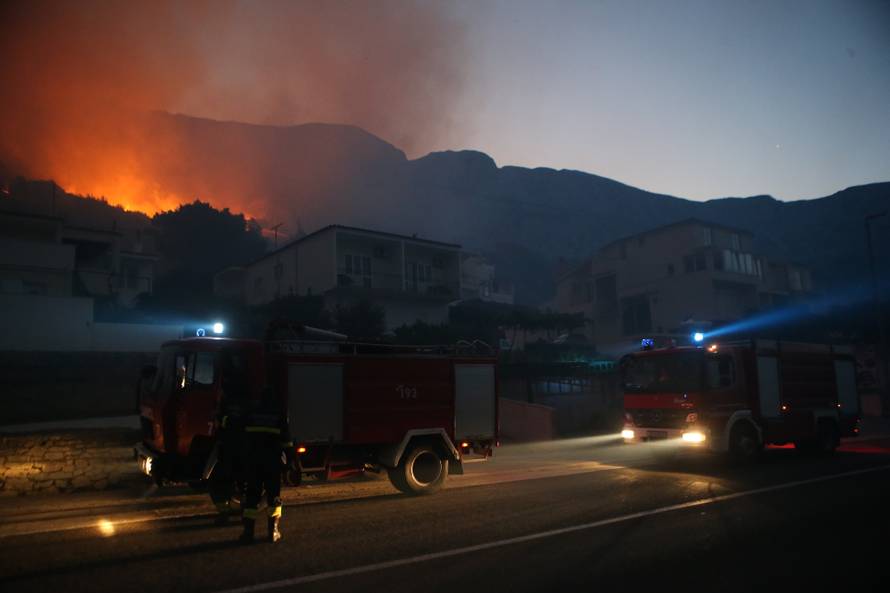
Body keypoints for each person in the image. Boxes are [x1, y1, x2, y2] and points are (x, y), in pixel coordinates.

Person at [239, 386, 295, 544]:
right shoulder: (279, 414)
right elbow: (287, 442)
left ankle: (248, 533)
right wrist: (289, 463)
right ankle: (273, 532)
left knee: (252, 496)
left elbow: (244, 438)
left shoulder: (252, 413)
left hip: (253, 461)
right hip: (272, 462)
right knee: (273, 497)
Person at [208, 348, 249, 524]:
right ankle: (246, 514)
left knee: (219, 483)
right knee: (243, 483)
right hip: (242, 449)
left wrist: (219, 422)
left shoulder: (227, 405)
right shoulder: (244, 400)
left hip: (229, 449)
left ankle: (225, 513)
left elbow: (222, 421)